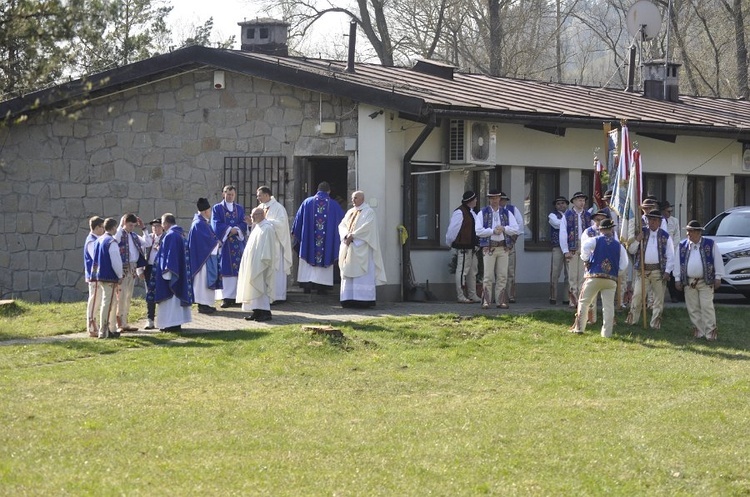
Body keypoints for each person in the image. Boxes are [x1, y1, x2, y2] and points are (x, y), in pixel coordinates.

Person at [569, 218, 629, 337]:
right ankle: (607, 333)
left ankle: (580, 328)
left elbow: (585, 247)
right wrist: (617, 272)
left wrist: (586, 260)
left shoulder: (595, 240)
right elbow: (624, 264)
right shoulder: (619, 246)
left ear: (600, 230)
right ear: (611, 229)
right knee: (608, 306)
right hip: (611, 279)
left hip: (594, 276)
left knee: (584, 301)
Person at [675, 220, 725, 341]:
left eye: (690, 231)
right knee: (693, 307)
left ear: (698, 232)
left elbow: (717, 260)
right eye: (687, 231)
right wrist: (677, 278)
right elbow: (677, 263)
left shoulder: (710, 244)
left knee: (707, 306)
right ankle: (698, 331)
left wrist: (718, 277)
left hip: (705, 281)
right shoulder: (682, 246)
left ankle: (710, 332)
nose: (688, 234)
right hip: (689, 282)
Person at [291, 181, 345, 294]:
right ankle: (322, 287)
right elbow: (343, 224)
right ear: (329, 192)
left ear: (317, 190)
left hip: (309, 244)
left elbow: (298, 223)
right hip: (326, 245)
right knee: (326, 252)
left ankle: (307, 286)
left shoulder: (307, 202)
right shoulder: (334, 205)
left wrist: (297, 234)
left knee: (307, 252)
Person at [625, 209, 675, 329]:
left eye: (655, 220)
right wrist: (637, 240)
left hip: (658, 271)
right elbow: (631, 250)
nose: (652, 222)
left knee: (658, 300)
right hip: (643, 270)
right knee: (637, 296)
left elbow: (670, 255)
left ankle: (655, 323)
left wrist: (668, 271)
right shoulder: (642, 233)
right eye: (650, 219)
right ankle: (632, 321)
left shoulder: (665, 236)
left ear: (659, 222)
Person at [338, 190, 386, 308]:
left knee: (363, 275)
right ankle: (348, 298)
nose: (353, 200)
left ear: (362, 199)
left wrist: (353, 236)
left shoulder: (369, 212)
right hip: (349, 248)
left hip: (362, 247)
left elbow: (368, 227)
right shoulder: (350, 212)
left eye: (356, 198)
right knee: (348, 273)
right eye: (352, 198)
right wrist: (345, 236)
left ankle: (363, 299)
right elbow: (342, 225)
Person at [476, 189, 520, 309]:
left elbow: (516, 228)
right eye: (492, 198)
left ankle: (500, 301)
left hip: (503, 247)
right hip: (489, 248)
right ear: (489, 199)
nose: (494, 200)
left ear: (500, 199)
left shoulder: (506, 213)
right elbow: (478, 231)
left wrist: (504, 229)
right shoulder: (482, 213)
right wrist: (492, 231)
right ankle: (486, 301)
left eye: (496, 198)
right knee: (488, 275)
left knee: (502, 275)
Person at [154, 213, 193, 332]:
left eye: (162, 224)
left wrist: (168, 273)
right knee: (176, 302)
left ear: (165, 223)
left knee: (170, 300)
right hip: (180, 272)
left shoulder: (170, 235)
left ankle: (170, 324)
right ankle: (176, 324)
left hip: (172, 274)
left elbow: (171, 256)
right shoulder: (180, 234)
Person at [237, 207, 278, 322]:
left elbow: (268, 248)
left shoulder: (267, 228)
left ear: (261, 215)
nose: (251, 217)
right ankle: (256, 311)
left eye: (253, 215)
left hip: (261, 264)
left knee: (261, 287)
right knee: (253, 287)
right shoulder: (258, 227)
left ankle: (265, 312)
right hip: (253, 263)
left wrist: (264, 261)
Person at [212, 185, 247, 308]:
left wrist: (236, 230)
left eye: (232, 194)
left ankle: (238, 296)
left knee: (238, 270)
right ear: (223, 194)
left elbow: (243, 222)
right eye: (228, 194)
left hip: (237, 243)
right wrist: (228, 230)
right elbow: (216, 223)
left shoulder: (239, 208)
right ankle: (226, 297)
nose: (230, 196)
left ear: (235, 195)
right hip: (225, 244)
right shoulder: (217, 208)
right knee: (225, 269)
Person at [256, 186, 292, 302]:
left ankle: (277, 296)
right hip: (264, 245)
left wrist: (267, 222)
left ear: (266, 195)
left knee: (276, 271)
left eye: (259, 195)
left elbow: (281, 224)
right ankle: (266, 296)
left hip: (276, 245)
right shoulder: (260, 207)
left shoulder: (278, 208)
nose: (258, 198)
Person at [445, 190, 482, 303]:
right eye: (475, 199)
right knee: (462, 271)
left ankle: (472, 294)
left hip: (472, 247)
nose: (476, 201)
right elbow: (453, 229)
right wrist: (450, 242)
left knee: (472, 271)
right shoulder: (460, 212)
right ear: (470, 200)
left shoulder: (472, 212)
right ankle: (460, 296)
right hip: (464, 246)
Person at [114, 213, 147, 333]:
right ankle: (119, 323)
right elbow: (116, 239)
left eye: (133, 225)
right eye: (129, 225)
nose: (131, 227)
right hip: (123, 267)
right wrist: (120, 225)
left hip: (132, 267)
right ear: (124, 223)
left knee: (128, 296)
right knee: (120, 296)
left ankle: (125, 322)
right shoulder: (119, 234)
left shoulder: (134, 235)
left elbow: (147, 242)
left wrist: (144, 229)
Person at [90, 218, 123, 339]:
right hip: (109, 276)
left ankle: (110, 328)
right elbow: (116, 261)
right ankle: (104, 330)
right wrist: (120, 275)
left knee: (110, 302)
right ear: (113, 227)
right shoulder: (111, 242)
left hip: (100, 275)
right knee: (108, 303)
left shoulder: (99, 240)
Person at [189, 198, 221, 315]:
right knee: (202, 282)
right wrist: (217, 244)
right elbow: (206, 242)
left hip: (204, 257)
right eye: (210, 210)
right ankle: (203, 305)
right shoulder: (199, 224)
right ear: (205, 211)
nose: (211, 213)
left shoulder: (201, 222)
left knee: (204, 283)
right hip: (203, 260)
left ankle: (206, 304)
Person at [559, 192, 591, 308]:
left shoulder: (588, 215)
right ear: (574, 201)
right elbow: (563, 233)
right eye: (579, 200)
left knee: (583, 275)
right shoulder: (567, 215)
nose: (582, 203)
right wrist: (565, 250)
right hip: (572, 246)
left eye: (583, 200)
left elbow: (592, 233)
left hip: (585, 246)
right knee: (572, 275)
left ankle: (581, 300)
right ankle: (573, 300)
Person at [499, 192, 524, 303]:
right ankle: (498, 295)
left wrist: (512, 240)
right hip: (496, 244)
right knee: (498, 271)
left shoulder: (513, 210)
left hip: (510, 243)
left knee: (510, 271)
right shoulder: (491, 211)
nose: (501, 201)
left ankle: (510, 295)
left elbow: (520, 226)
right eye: (500, 199)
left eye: (503, 199)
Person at [83, 216, 105, 338]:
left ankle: (94, 324)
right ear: (96, 227)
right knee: (94, 300)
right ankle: (91, 326)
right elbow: (95, 257)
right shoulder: (91, 240)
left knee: (98, 300)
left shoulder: (97, 239)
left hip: (97, 276)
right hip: (94, 276)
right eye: (102, 227)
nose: (103, 229)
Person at [140, 218, 164, 330]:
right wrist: (140, 270)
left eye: (158, 226)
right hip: (149, 268)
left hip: (161, 268)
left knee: (162, 292)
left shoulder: (166, 238)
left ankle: (162, 319)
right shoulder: (148, 238)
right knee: (149, 293)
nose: (155, 228)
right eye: (153, 226)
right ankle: (150, 319)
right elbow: (140, 252)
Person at [548, 196, 570, 305]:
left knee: (569, 273)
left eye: (563, 203)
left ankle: (567, 298)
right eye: (558, 204)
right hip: (557, 247)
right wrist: (568, 223)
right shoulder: (552, 215)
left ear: (566, 204)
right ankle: (553, 297)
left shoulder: (571, 214)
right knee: (555, 272)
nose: (561, 205)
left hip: (570, 247)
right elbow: (557, 225)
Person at [662, 200, 682, 303]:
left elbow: (677, 237)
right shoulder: (659, 221)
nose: (670, 213)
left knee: (673, 274)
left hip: (672, 250)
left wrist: (671, 250)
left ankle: (674, 296)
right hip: (661, 251)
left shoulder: (674, 221)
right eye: (668, 211)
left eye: (671, 211)